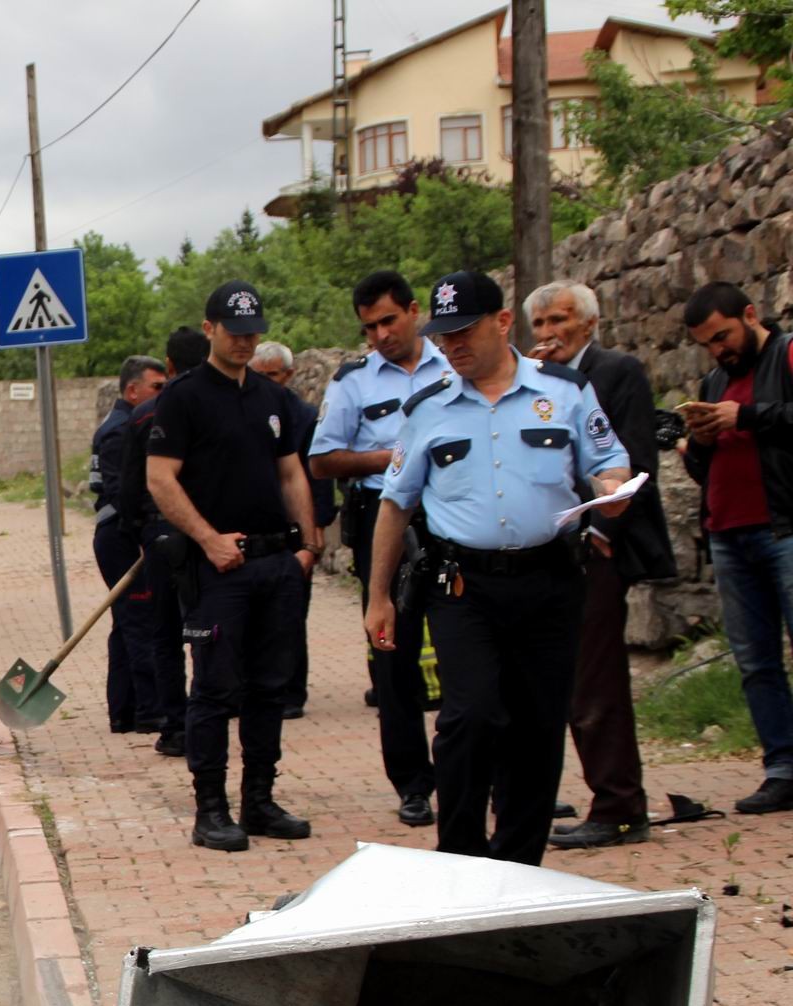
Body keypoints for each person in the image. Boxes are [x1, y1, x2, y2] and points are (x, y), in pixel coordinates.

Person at [366, 271, 632, 866]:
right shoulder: (428, 409)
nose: (453, 345)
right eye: (444, 335)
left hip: (550, 583)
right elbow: (395, 503)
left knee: (538, 727)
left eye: (464, 332)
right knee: (472, 715)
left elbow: (608, 459)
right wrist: (378, 596)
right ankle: (460, 855)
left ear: (503, 322)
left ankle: (517, 866)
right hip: (464, 587)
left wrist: (613, 487)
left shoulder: (563, 391)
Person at [147, 282, 321, 851]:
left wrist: (307, 546)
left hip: (276, 564)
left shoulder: (272, 399)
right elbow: (160, 478)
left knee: (270, 689)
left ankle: (260, 800)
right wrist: (208, 539)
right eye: (234, 331)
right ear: (210, 329)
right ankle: (211, 809)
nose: (245, 342)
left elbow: (292, 472)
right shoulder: (185, 396)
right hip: (218, 569)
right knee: (215, 692)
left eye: (252, 333)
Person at [526, 281, 678, 848]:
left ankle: (618, 805)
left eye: (560, 321)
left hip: (596, 547)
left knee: (596, 680)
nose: (548, 334)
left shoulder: (618, 372)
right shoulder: (535, 381)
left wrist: (603, 531)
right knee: (560, 681)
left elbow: (634, 458)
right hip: (551, 550)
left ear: (589, 323)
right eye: (539, 324)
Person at [309, 271, 448, 827]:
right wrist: (390, 458)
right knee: (394, 653)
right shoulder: (353, 383)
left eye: (389, 320)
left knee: (474, 645)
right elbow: (322, 459)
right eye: (369, 327)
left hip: (453, 515)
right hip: (385, 520)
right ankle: (413, 784)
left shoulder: (455, 364)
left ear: (414, 311)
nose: (380, 335)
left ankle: (484, 771)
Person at [677, 282, 793, 814]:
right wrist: (699, 441)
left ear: (750, 315)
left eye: (722, 336)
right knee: (755, 661)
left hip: (782, 528)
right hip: (728, 534)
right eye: (706, 343)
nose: (718, 350)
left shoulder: (786, 355)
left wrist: (743, 417)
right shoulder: (714, 380)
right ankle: (782, 769)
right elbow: (707, 470)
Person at [118, 327, 211, 757]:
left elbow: (132, 487)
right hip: (210, 535)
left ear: (169, 366)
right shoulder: (221, 405)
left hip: (162, 536)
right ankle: (210, 717)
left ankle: (176, 725)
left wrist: (141, 533)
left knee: (166, 634)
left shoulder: (144, 414)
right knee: (209, 629)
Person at [252, 341, 334, 718]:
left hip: (293, 531)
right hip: (256, 530)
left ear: (288, 375)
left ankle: (291, 692)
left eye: (273, 375)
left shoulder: (303, 417)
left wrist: (312, 537)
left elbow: (315, 477)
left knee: (291, 613)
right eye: (259, 375)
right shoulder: (244, 412)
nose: (266, 382)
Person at [89, 355, 168, 732]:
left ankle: (124, 711)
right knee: (140, 622)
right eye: (157, 387)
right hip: (122, 537)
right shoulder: (121, 429)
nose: (162, 395)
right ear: (132, 389)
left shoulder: (122, 423)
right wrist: (143, 538)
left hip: (121, 534)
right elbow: (123, 493)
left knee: (125, 624)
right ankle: (150, 710)